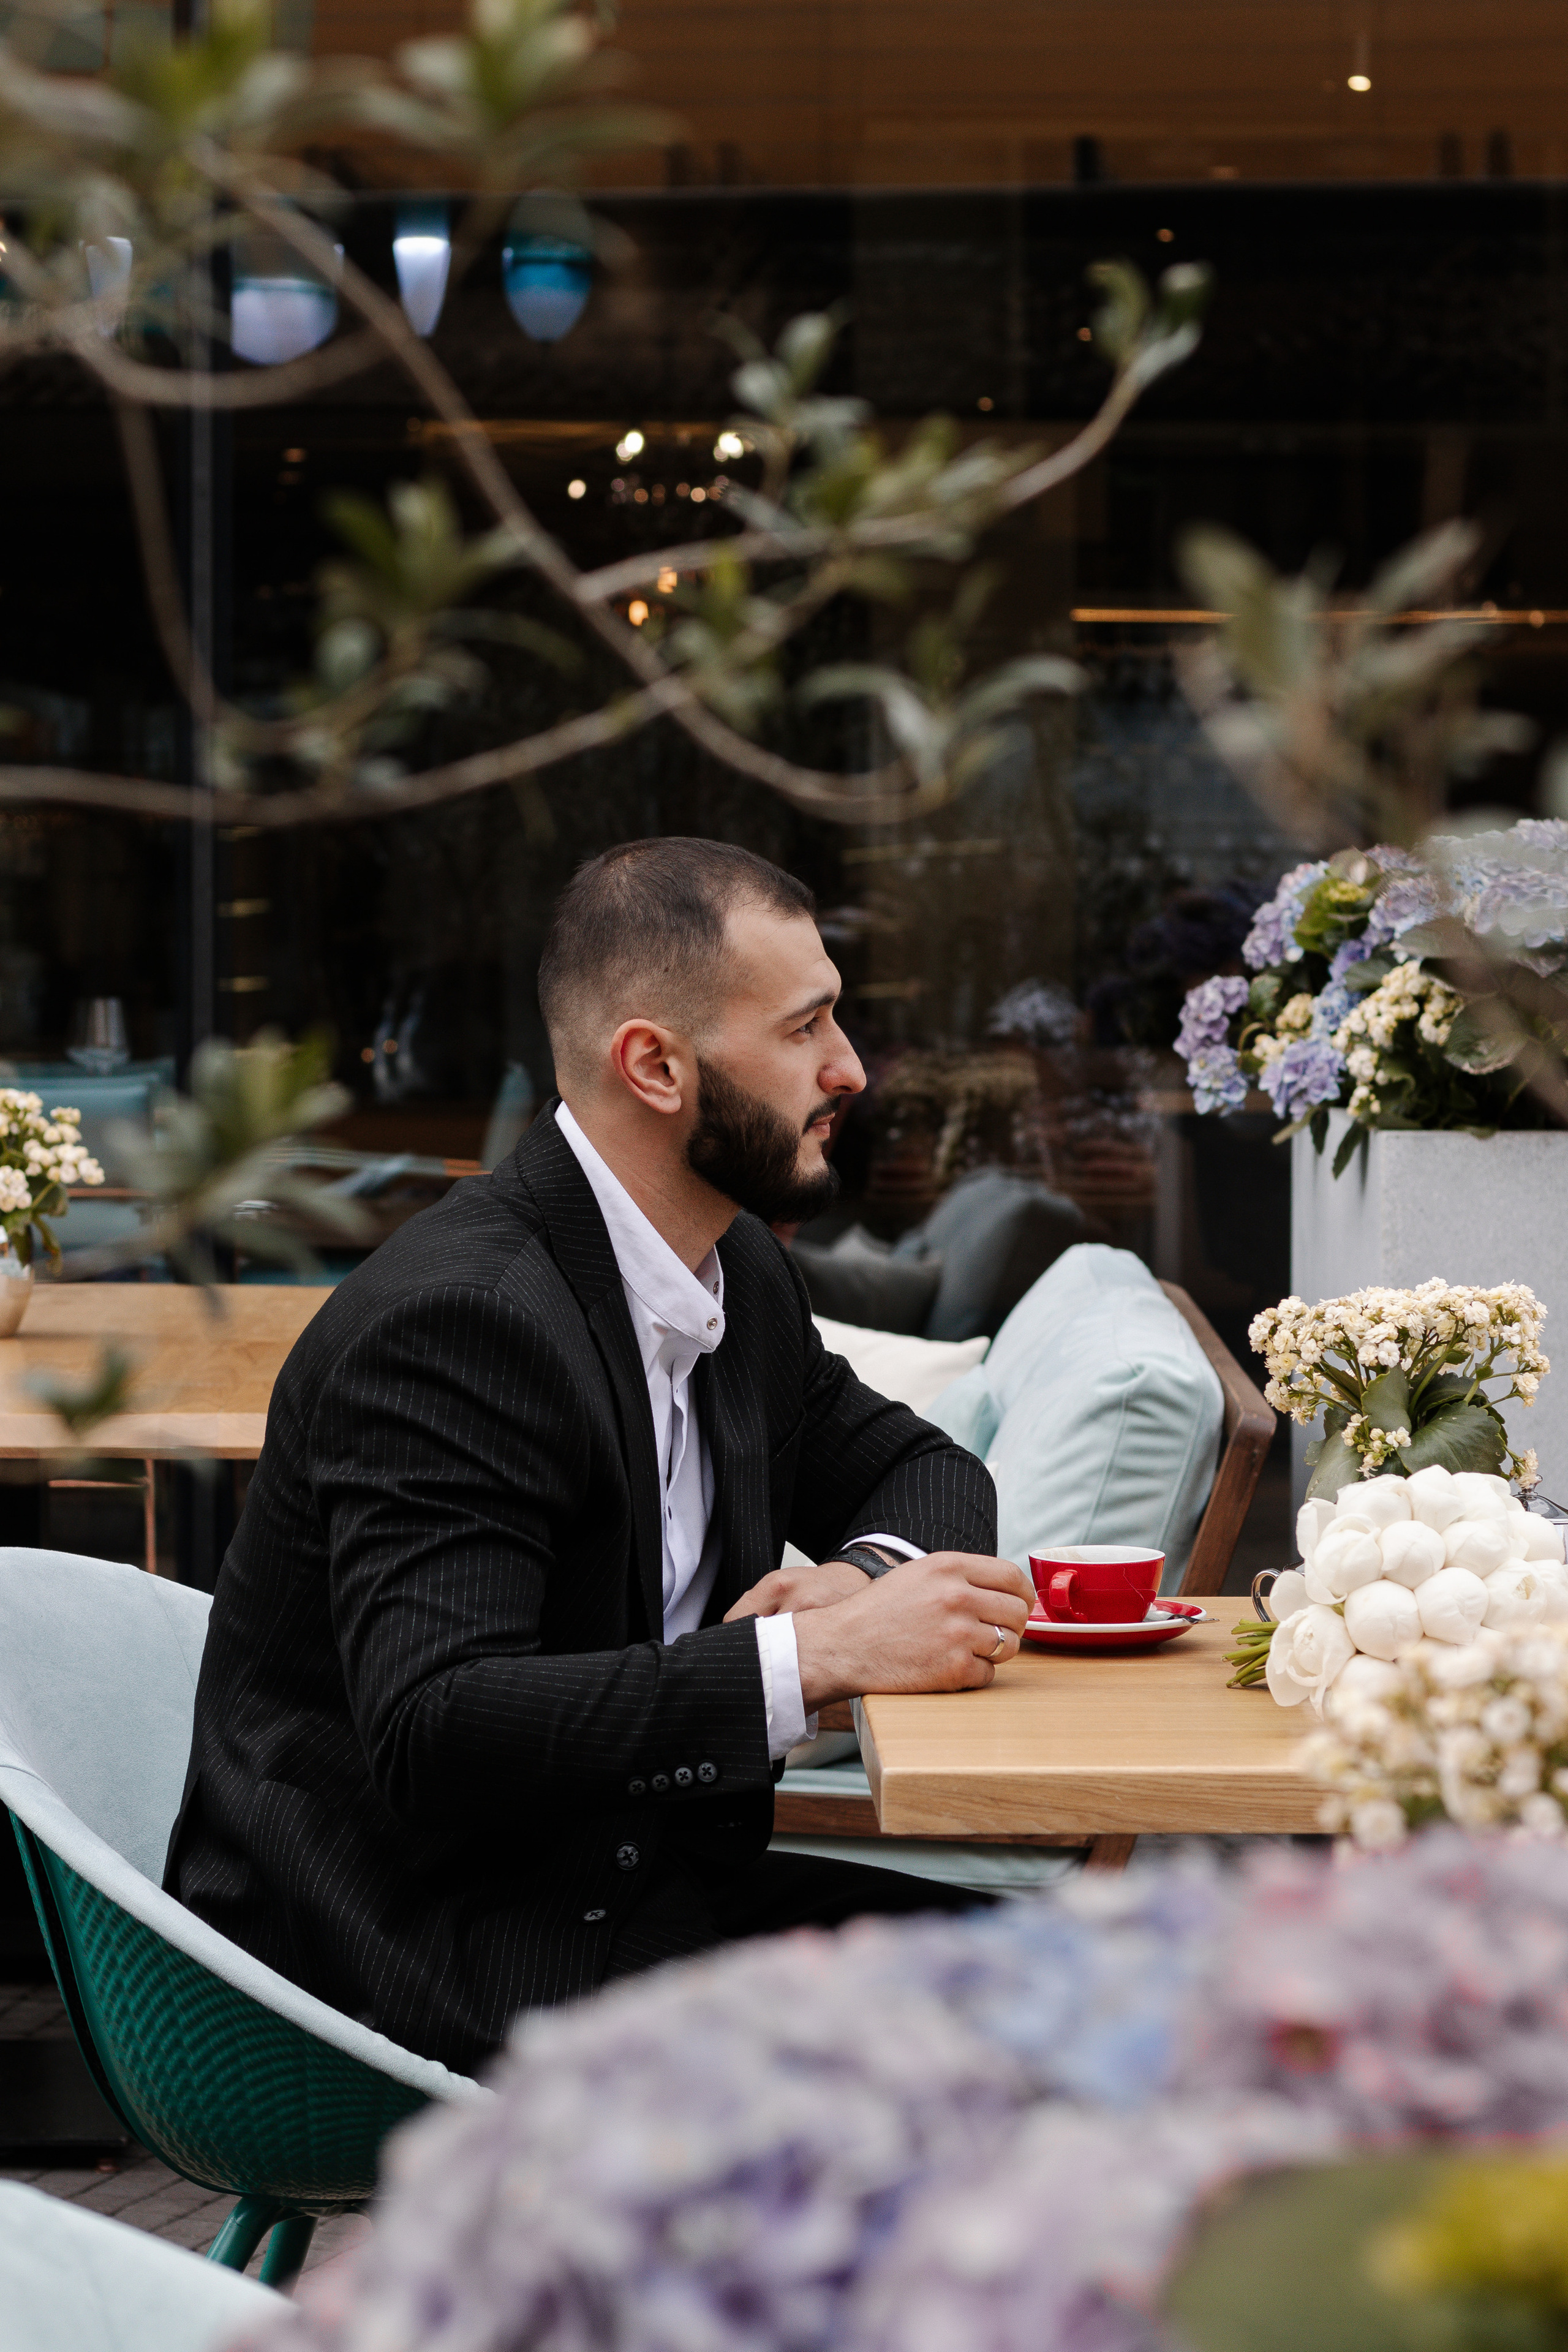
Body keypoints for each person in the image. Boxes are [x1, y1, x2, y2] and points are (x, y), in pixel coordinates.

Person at [165, 840, 1034, 2071]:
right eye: (803, 1030)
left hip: (638, 1900)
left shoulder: (734, 1274)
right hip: (401, 1960)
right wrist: (812, 1658)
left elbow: (929, 1469)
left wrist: (863, 1576)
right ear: (656, 1065)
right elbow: (438, 1725)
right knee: (1016, 2057)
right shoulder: (464, 1324)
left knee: (1076, 1995)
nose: (847, 1069)